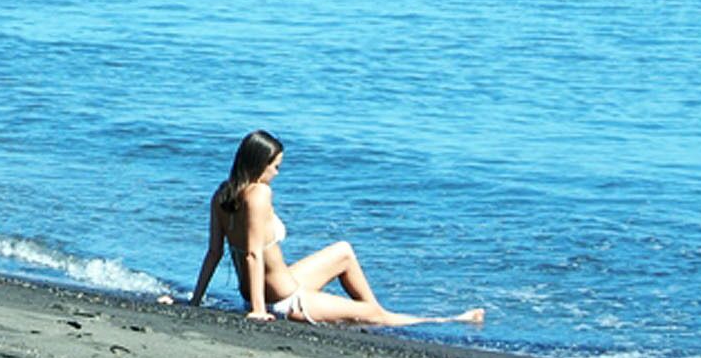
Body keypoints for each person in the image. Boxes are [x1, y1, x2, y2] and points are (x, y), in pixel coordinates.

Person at [187, 131, 484, 326]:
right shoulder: (260, 194)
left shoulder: (222, 195)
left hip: (280, 287)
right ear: (259, 164)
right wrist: (259, 310)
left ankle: (365, 311)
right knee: (376, 315)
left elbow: (213, 252)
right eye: (275, 167)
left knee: (343, 251)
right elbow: (252, 254)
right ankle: (449, 319)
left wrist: (195, 301)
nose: (277, 173)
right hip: (284, 300)